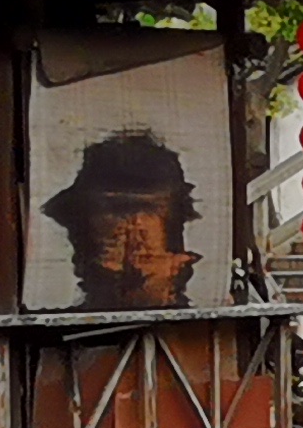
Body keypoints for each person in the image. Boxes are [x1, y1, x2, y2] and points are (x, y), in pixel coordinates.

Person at [39, 126, 202, 309]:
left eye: (146, 208)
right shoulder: (48, 334)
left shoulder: (202, 331)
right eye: (115, 208)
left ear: (181, 263)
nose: (133, 224)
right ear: (81, 263)